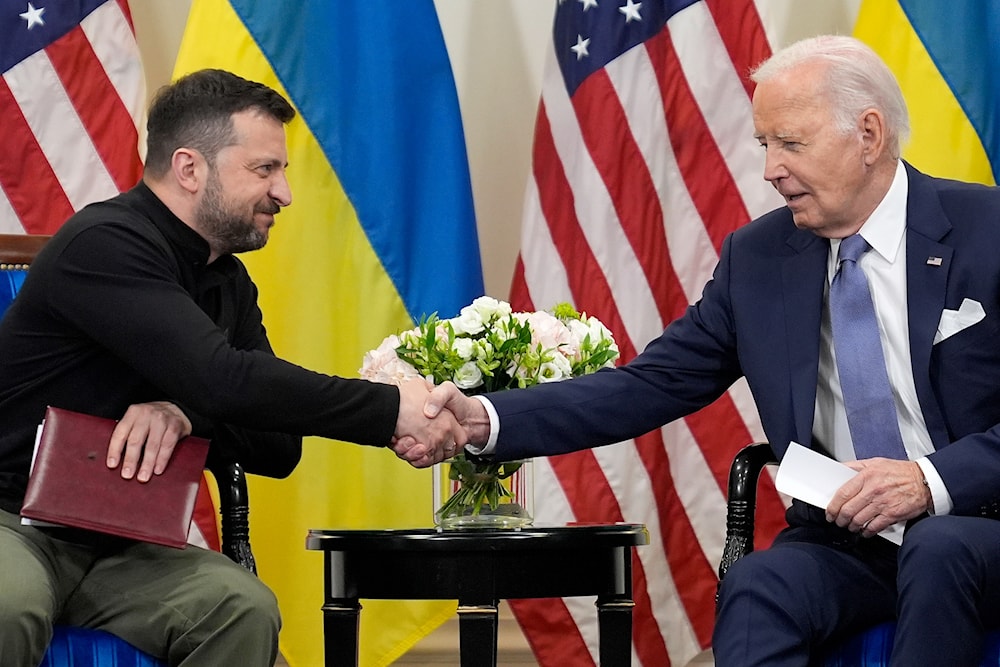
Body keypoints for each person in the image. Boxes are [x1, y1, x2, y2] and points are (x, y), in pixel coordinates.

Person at [408, 35, 1000, 665]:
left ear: (869, 136)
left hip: (978, 523)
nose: (770, 168)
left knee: (940, 551)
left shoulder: (985, 232)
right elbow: (650, 384)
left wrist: (927, 481)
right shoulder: (759, 257)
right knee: (760, 584)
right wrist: (487, 417)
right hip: (849, 542)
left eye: (790, 143)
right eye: (764, 144)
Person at [0, 69, 465, 666]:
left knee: (240, 607)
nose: (285, 193)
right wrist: (391, 409)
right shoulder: (104, 242)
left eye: (283, 171)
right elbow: (224, 379)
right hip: (12, 522)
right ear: (190, 168)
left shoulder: (227, 282)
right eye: (264, 169)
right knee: (9, 604)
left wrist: (182, 412)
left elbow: (276, 448)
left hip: (116, 547)